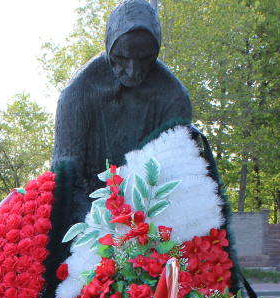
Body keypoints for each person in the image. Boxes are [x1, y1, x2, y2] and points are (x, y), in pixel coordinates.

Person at [52, 0, 192, 221]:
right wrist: (96, 227)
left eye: (145, 59)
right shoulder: (77, 93)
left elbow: (177, 175)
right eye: (122, 58)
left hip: (150, 221)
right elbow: (66, 176)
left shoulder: (174, 96)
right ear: (109, 46)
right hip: (89, 218)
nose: (133, 70)